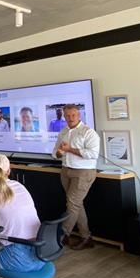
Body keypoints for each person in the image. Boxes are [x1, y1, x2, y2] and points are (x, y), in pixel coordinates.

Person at [52, 104, 100, 250]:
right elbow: (55, 153)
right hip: (66, 171)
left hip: (83, 173)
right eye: (67, 115)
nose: (70, 118)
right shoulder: (63, 132)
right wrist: (60, 152)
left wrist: (69, 149)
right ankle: (86, 238)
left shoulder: (88, 132)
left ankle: (61, 236)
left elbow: (93, 154)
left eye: (73, 115)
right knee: (76, 205)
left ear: (79, 116)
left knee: (72, 204)